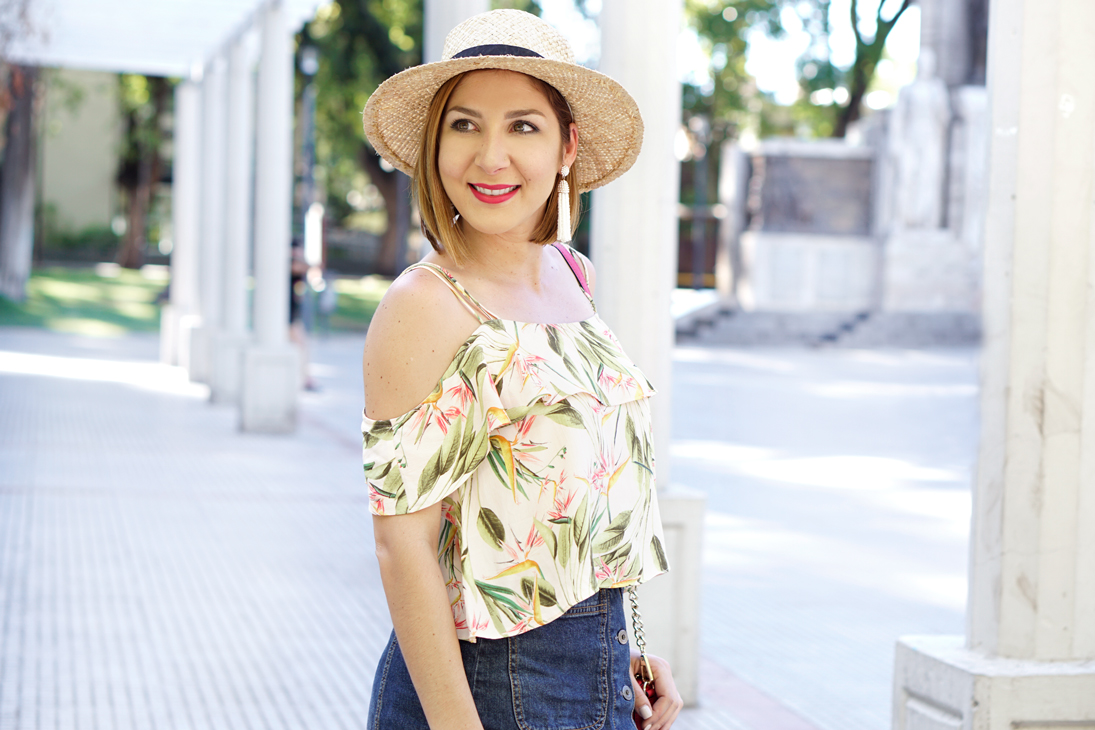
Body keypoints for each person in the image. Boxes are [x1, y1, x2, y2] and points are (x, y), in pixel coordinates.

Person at [360, 10, 682, 730]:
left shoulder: (574, 274)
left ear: (567, 146)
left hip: (593, 660)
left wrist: (624, 652)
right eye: (465, 125)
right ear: (434, 143)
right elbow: (400, 543)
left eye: (523, 127)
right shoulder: (426, 304)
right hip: (486, 682)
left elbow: (578, 490)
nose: (490, 157)